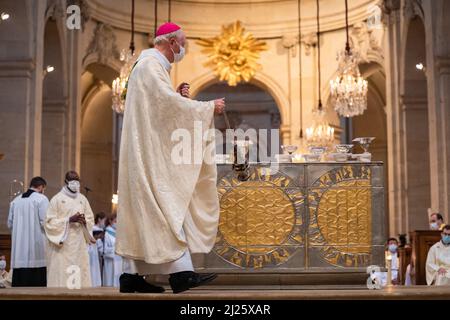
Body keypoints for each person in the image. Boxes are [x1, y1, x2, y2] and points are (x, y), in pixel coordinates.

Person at [116, 22, 225, 294]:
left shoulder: (148, 67)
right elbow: (165, 107)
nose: (183, 48)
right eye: (182, 42)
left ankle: (131, 275)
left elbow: (160, 108)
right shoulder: (151, 66)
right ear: (170, 42)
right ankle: (181, 274)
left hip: (144, 150)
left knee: (147, 209)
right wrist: (208, 107)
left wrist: (177, 98)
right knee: (165, 206)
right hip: (147, 155)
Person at [44, 171, 95, 288]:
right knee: (63, 274)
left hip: (79, 244)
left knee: (79, 276)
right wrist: (68, 220)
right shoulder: (56, 199)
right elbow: (49, 222)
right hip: (63, 245)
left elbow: (90, 217)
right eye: (72, 181)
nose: (75, 184)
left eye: (77, 181)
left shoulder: (83, 199)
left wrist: (84, 221)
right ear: (66, 182)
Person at [7, 177, 49, 287]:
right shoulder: (41, 199)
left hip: (19, 251)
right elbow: (46, 222)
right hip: (36, 250)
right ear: (41, 187)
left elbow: (9, 224)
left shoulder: (15, 201)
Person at [102, 214, 122, 287]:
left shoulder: (117, 233)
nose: (117, 223)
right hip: (110, 261)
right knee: (110, 280)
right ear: (110, 221)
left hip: (118, 259)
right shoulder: (106, 233)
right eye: (115, 221)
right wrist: (114, 248)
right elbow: (105, 249)